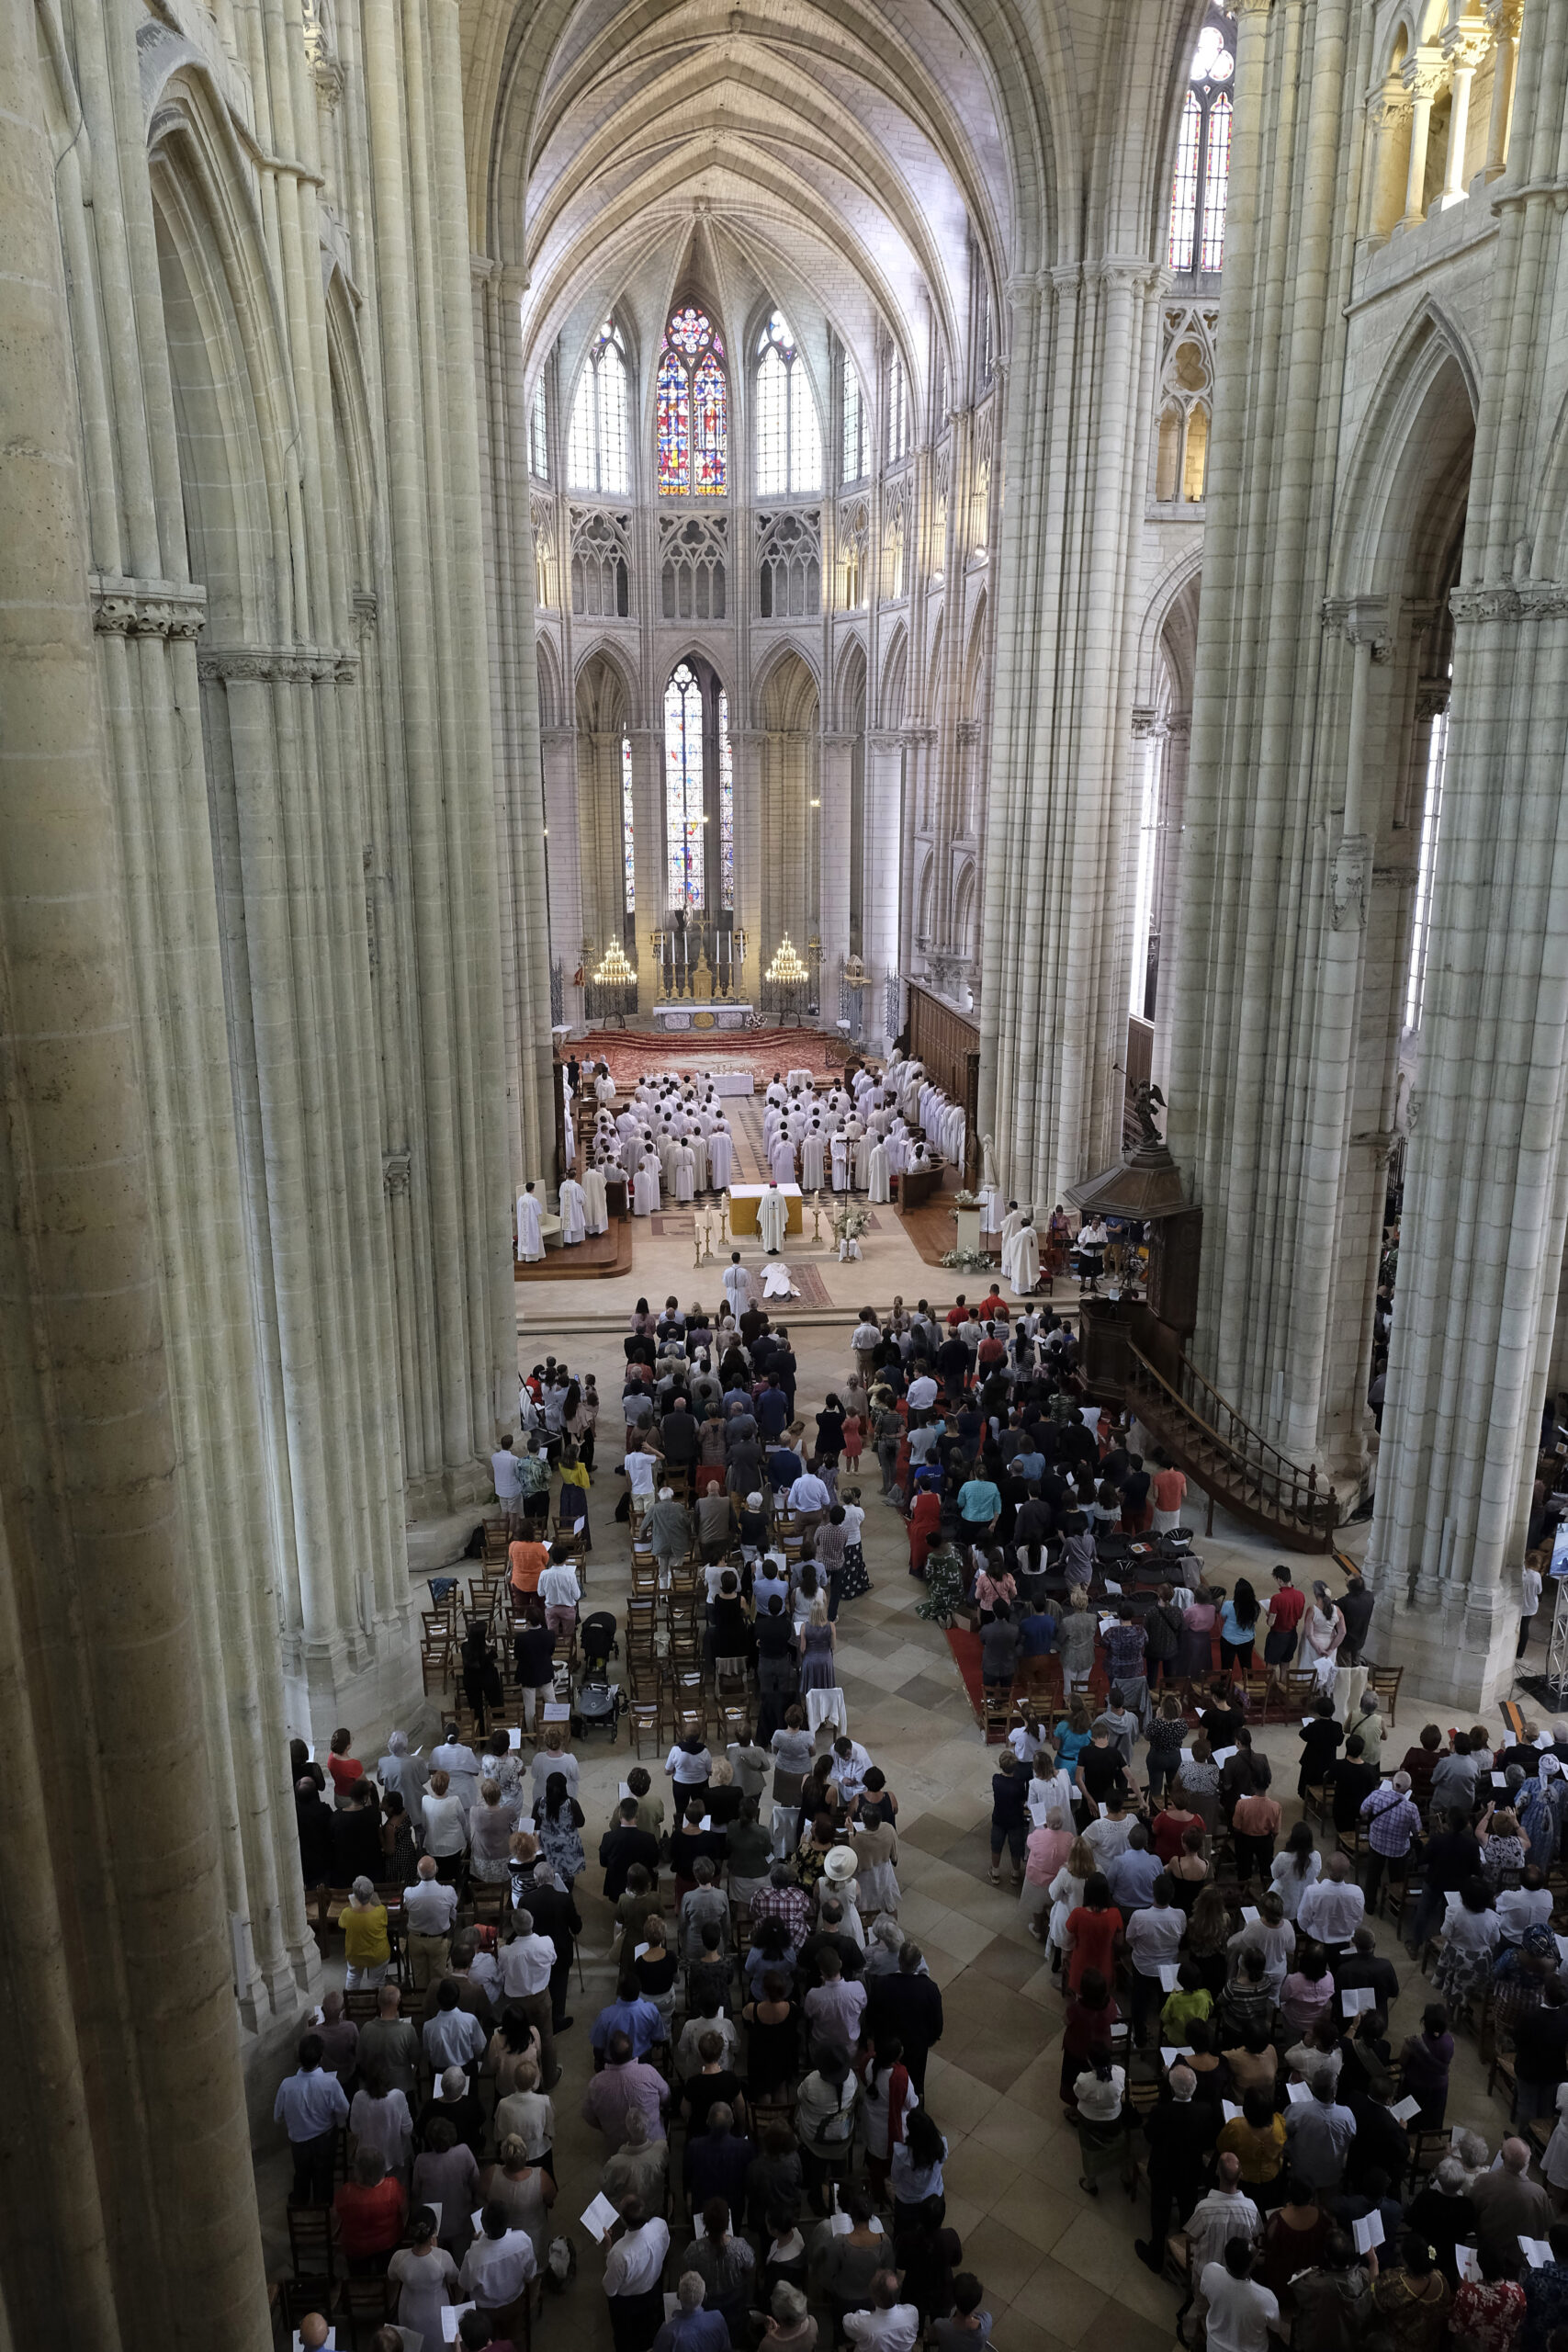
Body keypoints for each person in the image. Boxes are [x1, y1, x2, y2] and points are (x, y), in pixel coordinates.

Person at [275, 2032, 350, 2203]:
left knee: (301, 2175)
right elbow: (344, 2109)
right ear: (321, 2058)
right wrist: (337, 2121)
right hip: (325, 2139)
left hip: (299, 2142)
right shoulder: (330, 2083)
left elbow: (277, 2117)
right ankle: (323, 2212)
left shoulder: (287, 2085)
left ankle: (300, 2209)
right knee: (323, 2178)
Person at [389, 2208, 460, 2344]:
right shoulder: (442, 2257)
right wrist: (455, 2304)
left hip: (409, 2311)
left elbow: (392, 2277)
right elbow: (455, 2280)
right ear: (433, 2232)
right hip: (436, 2313)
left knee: (413, 2345)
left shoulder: (399, 2257)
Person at [334, 2146, 407, 2273]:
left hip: (356, 2246)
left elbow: (335, 2216)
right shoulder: (392, 2187)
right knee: (386, 2272)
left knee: (359, 2275)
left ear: (358, 2171)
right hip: (388, 2243)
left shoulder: (347, 2192)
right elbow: (404, 2210)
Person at [1201, 2239, 1279, 2352]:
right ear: (1251, 2265)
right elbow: (1274, 2329)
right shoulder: (1266, 2298)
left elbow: (1206, 2295)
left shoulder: (1210, 2271)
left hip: (1214, 2346)